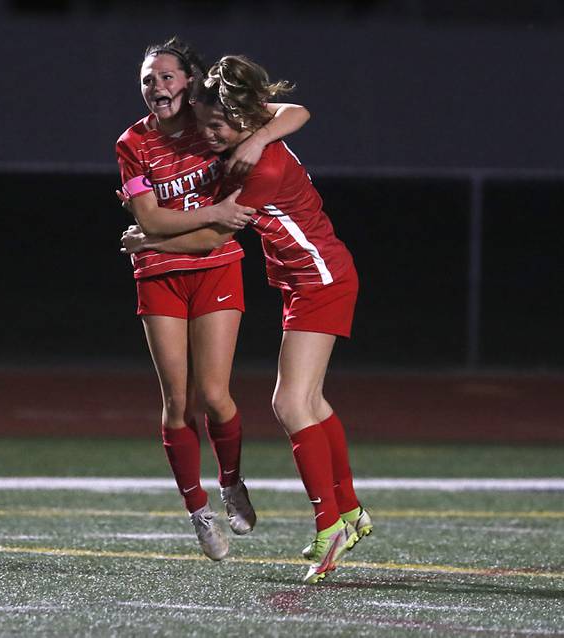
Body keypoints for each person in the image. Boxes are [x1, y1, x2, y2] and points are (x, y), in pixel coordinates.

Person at [122, 54, 372, 585]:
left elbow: (216, 235)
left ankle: (330, 528)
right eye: (205, 122)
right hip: (303, 279)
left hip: (321, 278)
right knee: (313, 402)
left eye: (219, 125)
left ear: (244, 119)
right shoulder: (240, 140)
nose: (209, 133)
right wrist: (252, 136)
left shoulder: (261, 163)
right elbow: (289, 112)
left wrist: (148, 238)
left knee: (289, 402)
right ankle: (348, 510)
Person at [115, 38, 311, 561]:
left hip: (215, 266)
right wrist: (211, 214)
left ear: (189, 81)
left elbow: (295, 111)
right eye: (147, 79)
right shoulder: (131, 143)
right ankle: (198, 509)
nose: (157, 87)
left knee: (216, 394)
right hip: (159, 274)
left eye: (166, 76)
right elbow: (152, 219)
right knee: (177, 402)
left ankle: (231, 482)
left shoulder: (211, 119)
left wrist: (254, 142)